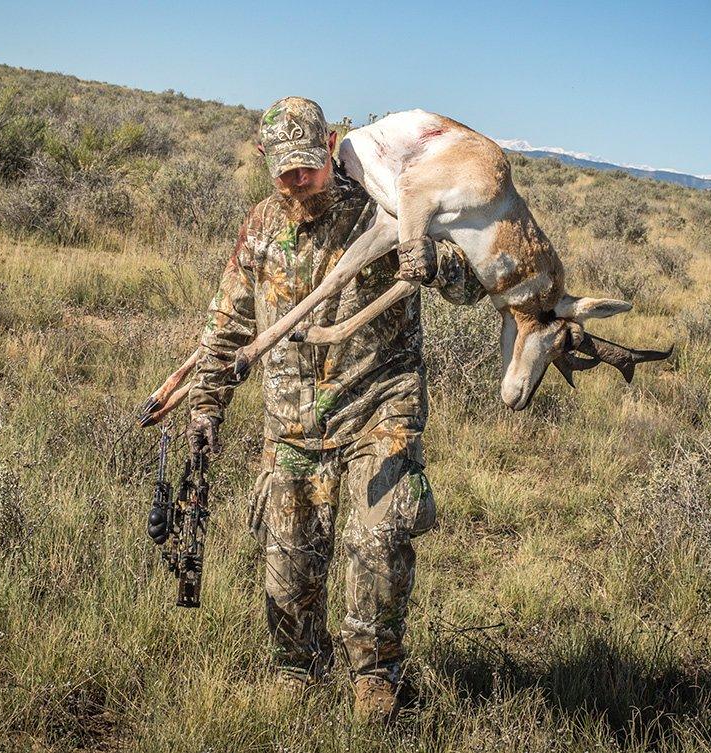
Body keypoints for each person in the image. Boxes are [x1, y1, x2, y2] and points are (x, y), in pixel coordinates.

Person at [186, 96, 479, 723]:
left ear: (332, 147)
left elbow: (472, 278)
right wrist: (206, 405)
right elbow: (229, 324)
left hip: (380, 402)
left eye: (310, 167)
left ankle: (374, 677)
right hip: (291, 420)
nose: (299, 181)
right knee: (289, 557)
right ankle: (299, 670)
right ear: (266, 163)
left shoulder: (388, 203)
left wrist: (434, 263)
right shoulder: (260, 226)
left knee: (379, 536)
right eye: (285, 170)